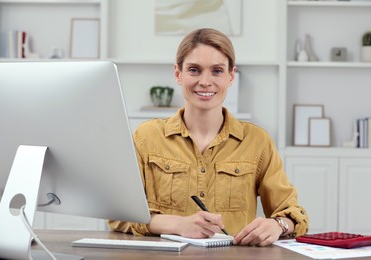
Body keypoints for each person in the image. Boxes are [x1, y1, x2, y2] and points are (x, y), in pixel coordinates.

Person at [108, 28, 309, 246]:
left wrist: (277, 225)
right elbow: (119, 215)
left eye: (217, 71)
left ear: (231, 76)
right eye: (194, 70)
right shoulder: (146, 138)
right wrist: (178, 225)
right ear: (178, 74)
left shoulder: (257, 141)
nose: (205, 81)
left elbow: (293, 213)